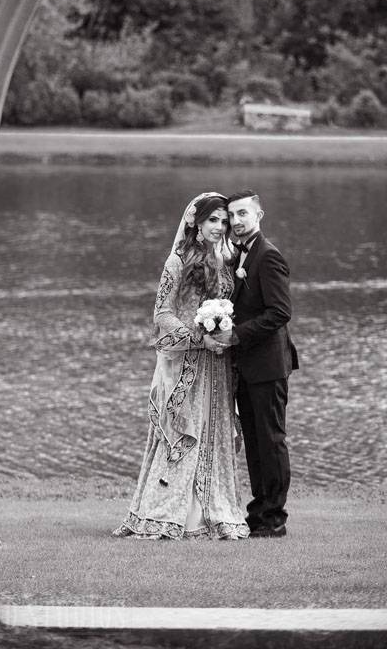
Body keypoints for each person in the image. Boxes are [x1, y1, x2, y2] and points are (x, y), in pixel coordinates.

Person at [113, 192, 249, 540]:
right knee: (185, 431)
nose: (220, 227)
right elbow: (162, 314)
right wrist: (196, 334)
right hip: (188, 362)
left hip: (218, 365)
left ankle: (211, 515)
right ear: (196, 222)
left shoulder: (228, 260)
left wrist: (222, 329)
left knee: (214, 431)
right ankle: (168, 515)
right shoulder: (177, 261)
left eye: (223, 220)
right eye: (212, 220)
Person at [214, 189, 299, 538]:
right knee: (253, 441)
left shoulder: (268, 256)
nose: (235, 221)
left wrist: (236, 336)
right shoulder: (240, 257)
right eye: (231, 215)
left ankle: (274, 517)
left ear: (258, 216)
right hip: (247, 368)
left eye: (242, 214)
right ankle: (258, 511)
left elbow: (280, 312)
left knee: (271, 439)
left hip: (268, 366)